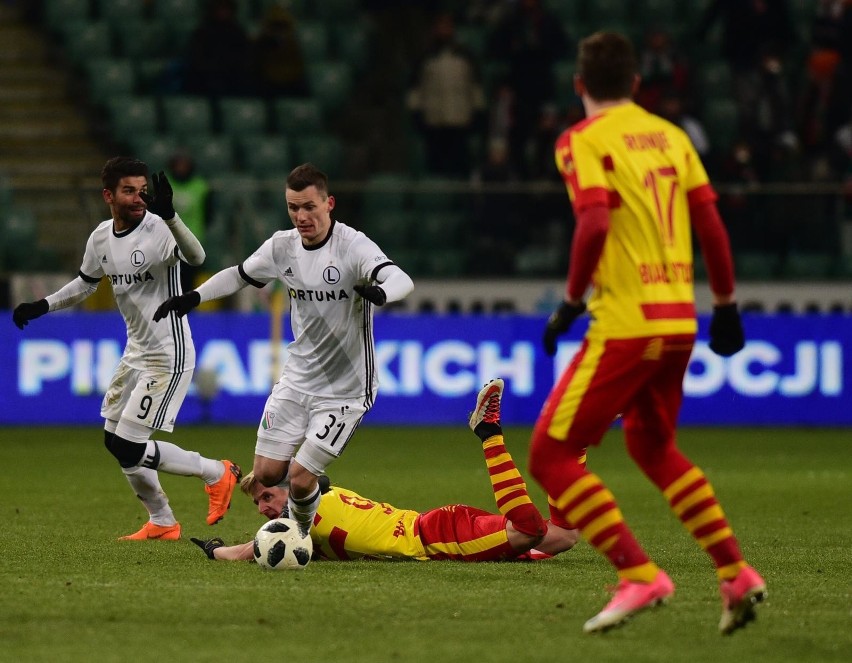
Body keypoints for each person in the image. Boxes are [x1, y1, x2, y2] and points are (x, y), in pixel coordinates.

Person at [527, 32, 766, 635]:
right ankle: (734, 571)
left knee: (550, 454)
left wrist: (570, 302)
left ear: (579, 85)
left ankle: (638, 576)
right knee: (653, 448)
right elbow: (710, 220)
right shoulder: (672, 135)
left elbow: (595, 220)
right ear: (636, 84)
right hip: (679, 319)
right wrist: (728, 303)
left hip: (627, 324)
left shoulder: (580, 141)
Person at [153, 162, 414, 539]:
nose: (301, 216)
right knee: (269, 474)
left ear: (329, 204)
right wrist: (193, 296)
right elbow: (239, 274)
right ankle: (310, 496)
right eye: (293, 207)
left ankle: (300, 536)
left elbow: (400, 277)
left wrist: (382, 292)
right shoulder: (282, 246)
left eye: (309, 206)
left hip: (346, 388)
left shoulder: (352, 245)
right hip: (296, 381)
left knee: (300, 475)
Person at [11, 157, 241, 540]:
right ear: (109, 196)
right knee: (113, 441)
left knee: (129, 446)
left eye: (142, 191)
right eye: (129, 191)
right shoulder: (101, 237)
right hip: (136, 350)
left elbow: (198, 258)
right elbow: (86, 283)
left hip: (169, 352)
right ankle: (163, 520)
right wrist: (43, 306)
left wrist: (170, 216)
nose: (138, 198)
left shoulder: (159, 227)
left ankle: (217, 472)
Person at [191, 379, 579, 562]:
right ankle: (572, 447)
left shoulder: (304, 509)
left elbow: (254, 547)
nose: (263, 508)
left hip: (433, 537)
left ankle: (488, 432)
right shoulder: (309, 528)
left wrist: (219, 552)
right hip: (437, 530)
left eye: (265, 496)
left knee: (528, 531)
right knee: (562, 536)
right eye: (259, 502)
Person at [166, 150, 211, 294]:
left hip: (192, 239)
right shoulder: (165, 183)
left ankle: (185, 309)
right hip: (167, 240)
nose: (181, 168)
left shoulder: (200, 187)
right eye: (178, 165)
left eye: (184, 165)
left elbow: (209, 213)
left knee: (187, 282)